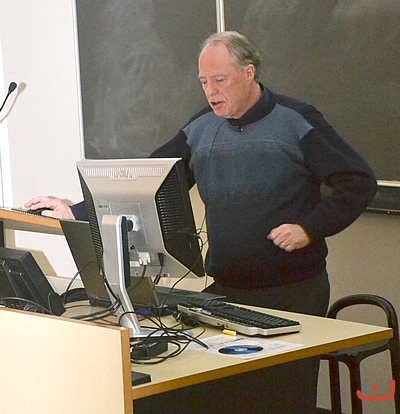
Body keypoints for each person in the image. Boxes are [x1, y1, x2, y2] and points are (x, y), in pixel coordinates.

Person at [25, 31, 377, 412]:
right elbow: (146, 182)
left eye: (220, 80)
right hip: (227, 290)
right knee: (200, 393)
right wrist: (75, 211)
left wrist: (309, 228)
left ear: (248, 73)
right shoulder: (201, 128)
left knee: (278, 401)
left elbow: (358, 182)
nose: (211, 92)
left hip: (292, 291)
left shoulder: (297, 121)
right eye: (204, 82)